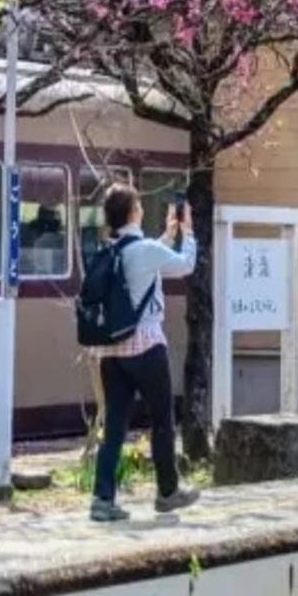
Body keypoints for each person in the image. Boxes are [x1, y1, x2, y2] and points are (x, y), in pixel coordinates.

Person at [88, 184, 200, 522]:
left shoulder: (110, 250)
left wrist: (166, 235)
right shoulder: (146, 250)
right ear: (135, 212)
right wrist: (188, 232)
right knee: (162, 419)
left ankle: (102, 499)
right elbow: (183, 266)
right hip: (147, 347)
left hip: (112, 352)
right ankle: (167, 492)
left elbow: (149, 264)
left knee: (116, 427)